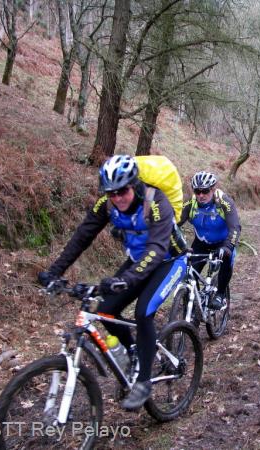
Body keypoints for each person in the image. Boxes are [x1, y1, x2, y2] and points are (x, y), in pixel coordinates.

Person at [37, 155, 186, 411]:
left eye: (122, 191)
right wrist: (54, 271)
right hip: (138, 261)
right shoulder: (107, 204)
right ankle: (134, 352)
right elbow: (83, 235)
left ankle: (143, 382)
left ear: (134, 184)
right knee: (105, 310)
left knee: (143, 312)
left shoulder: (156, 201)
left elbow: (157, 248)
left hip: (168, 261)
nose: (117, 198)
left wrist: (125, 280)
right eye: (111, 193)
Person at [178, 171, 241, 310]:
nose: (201, 195)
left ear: (213, 189)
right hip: (201, 243)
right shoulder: (190, 203)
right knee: (189, 273)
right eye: (197, 191)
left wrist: (228, 247)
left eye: (205, 191)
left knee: (227, 259)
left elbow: (235, 227)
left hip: (223, 243)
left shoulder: (224, 202)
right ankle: (193, 305)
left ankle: (220, 294)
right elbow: (175, 223)